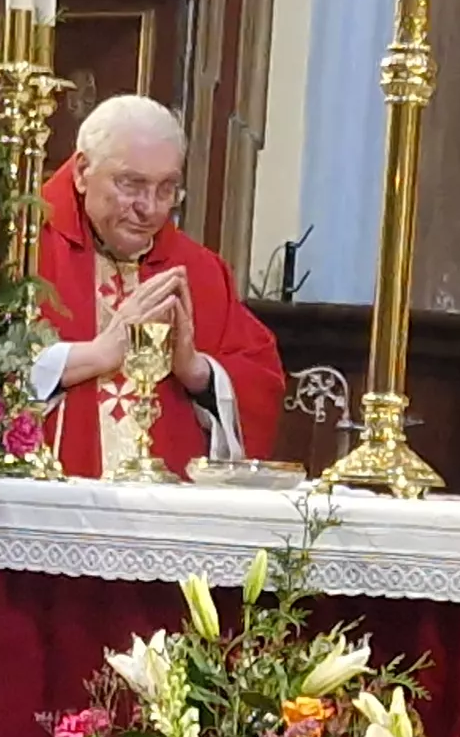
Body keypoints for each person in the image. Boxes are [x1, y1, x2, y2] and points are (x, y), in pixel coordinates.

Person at [29, 95, 283, 479]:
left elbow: (261, 384)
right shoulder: (22, 249)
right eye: (131, 184)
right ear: (82, 172)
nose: (149, 208)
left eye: (167, 188)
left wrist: (197, 371)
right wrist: (97, 355)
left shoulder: (199, 270)